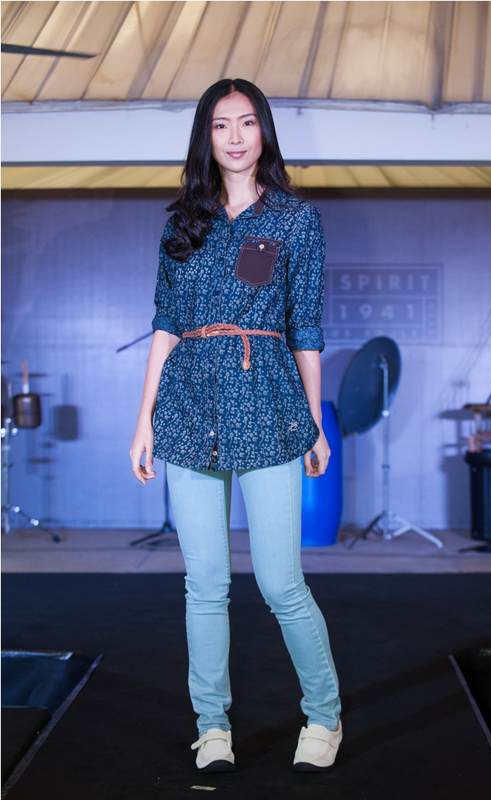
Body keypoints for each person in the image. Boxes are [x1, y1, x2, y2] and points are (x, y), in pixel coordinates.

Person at [130, 78, 342, 773]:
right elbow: (165, 324)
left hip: (268, 408)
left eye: (247, 122)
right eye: (221, 125)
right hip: (189, 409)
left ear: (264, 132)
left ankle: (324, 716)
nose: (235, 136)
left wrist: (314, 422)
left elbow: (305, 328)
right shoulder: (183, 223)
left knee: (281, 583)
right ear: (206, 136)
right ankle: (212, 725)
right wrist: (144, 420)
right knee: (206, 584)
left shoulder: (293, 221)